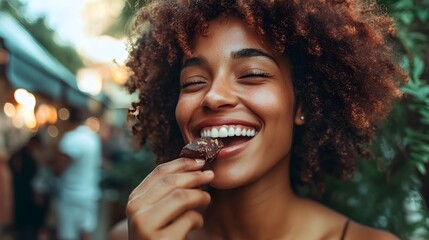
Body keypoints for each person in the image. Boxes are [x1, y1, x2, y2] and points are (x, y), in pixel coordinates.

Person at [112, 0, 407, 239]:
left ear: (302, 103)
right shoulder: (133, 235)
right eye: (193, 82)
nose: (213, 97)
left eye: (252, 74)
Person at [53, 109, 102, 240]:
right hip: (89, 194)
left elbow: (59, 169)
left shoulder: (71, 139)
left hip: (71, 195)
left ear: (70, 122)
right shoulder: (93, 138)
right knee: (87, 231)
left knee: (67, 234)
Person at [7, 134, 50, 240]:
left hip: (21, 196)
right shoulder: (26, 157)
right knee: (28, 227)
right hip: (27, 198)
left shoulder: (19, 154)